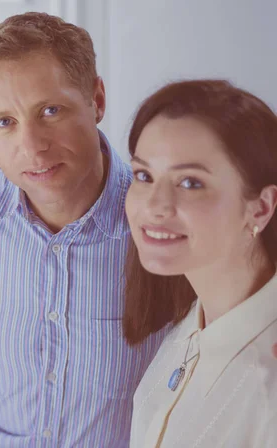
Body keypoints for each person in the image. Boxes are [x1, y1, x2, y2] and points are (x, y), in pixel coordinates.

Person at [0, 12, 166, 447]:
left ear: (97, 100)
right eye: (4, 122)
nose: (31, 146)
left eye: (50, 110)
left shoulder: (160, 221)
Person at [124, 80, 277, 446]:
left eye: (190, 182)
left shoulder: (268, 381)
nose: (155, 205)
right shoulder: (189, 324)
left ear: (260, 207)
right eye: (144, 175)